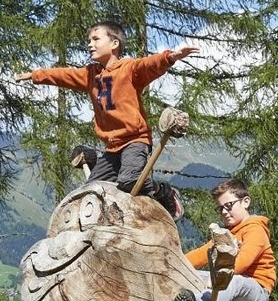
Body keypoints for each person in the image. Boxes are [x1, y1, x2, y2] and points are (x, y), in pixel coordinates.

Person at [15, 20, 198, 221]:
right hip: (112, 148)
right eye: (89, 40)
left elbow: (149, 65)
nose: (90, 44)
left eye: (96, 39)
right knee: (90, 193)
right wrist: (36, 75)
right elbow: (64, 75)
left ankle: (164, 192)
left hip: (134, 140)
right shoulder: (90, 75)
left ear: (114, 44)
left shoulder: (129, 69)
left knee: (130, 180)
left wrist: (170, 57)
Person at [174, 179, 275, 301]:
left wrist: (219, 277)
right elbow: (203, 253)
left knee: (236, 281)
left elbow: (244, 260)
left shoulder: (255, 229)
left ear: (245, 202)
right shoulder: (227, 233)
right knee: (191, 273)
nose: (224, 212)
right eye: (220, 208)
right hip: (227, 278)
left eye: (228, 206)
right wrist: (177, 263)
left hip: (257, 289)